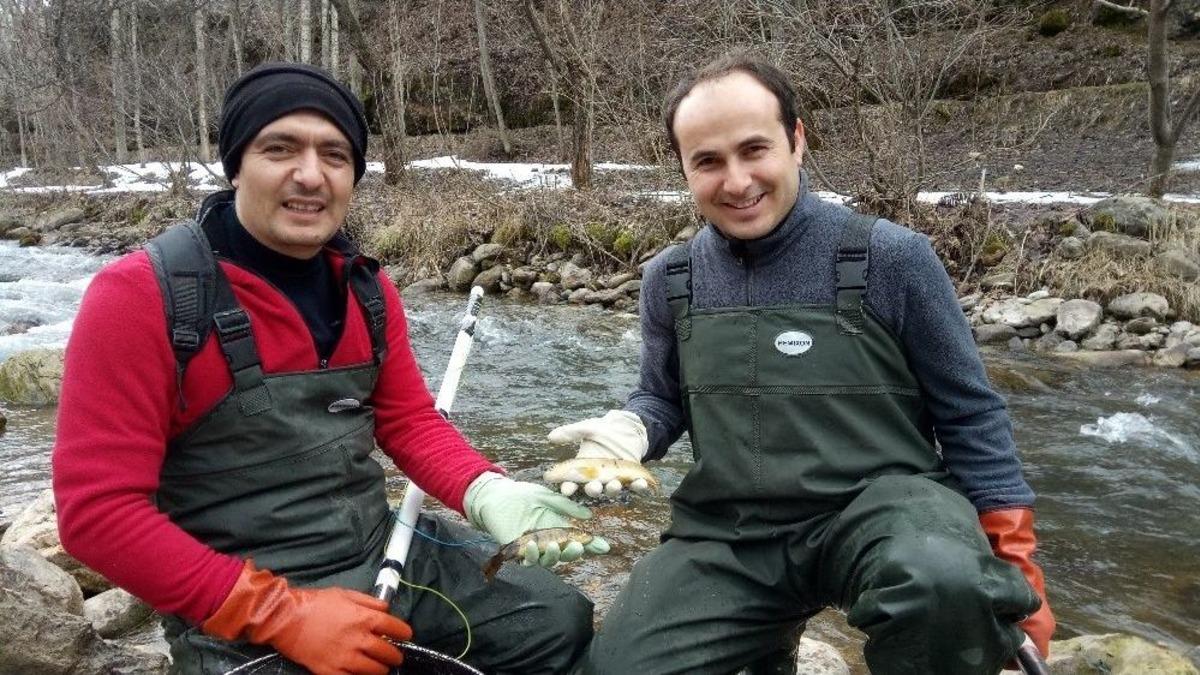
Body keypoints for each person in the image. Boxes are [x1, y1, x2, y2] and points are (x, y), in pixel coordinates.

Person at [52, 62, 606, 675]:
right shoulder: (139, 298)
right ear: (235, 164)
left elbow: (408, 422)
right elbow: (97, 514)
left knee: (557, 620)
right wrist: (283, 614)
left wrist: (485, 488)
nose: (310, 175)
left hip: (380, 550)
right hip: (234, 593)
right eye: (279, 148)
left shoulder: (367, 291)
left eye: (335, 155)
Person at [546, 53, 1055, 675]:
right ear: (683, 168)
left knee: (942, 580)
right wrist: (628, 432)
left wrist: (1014, 564)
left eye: (754, 149)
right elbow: (662, 397)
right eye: (707, 161)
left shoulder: (893, 257)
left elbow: (971, 413)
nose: (736, 182)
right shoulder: (668, 279)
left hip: (884, 515)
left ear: (797, 140)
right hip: (730, 535)